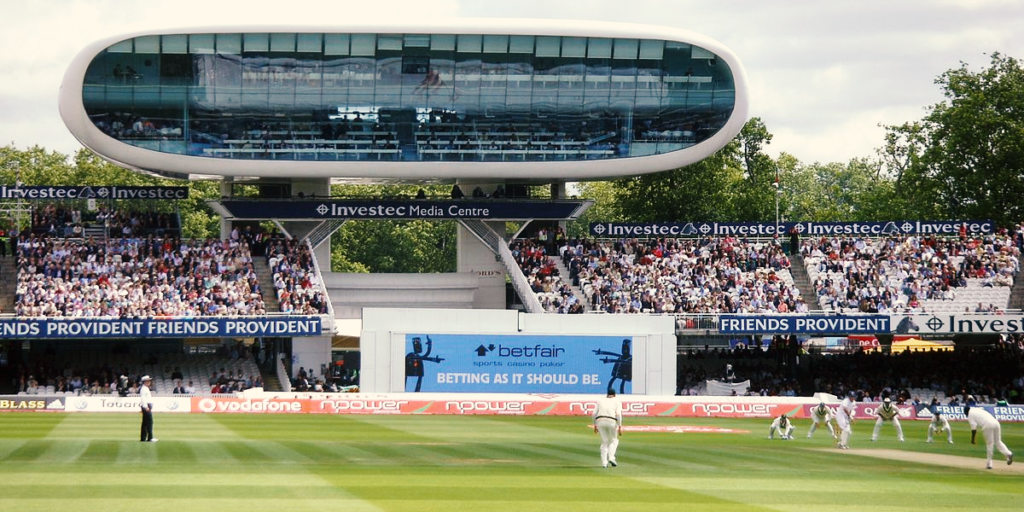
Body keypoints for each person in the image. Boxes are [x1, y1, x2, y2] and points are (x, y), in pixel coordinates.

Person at [965, 398, 1013, 469]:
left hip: (987, 425)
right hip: (996, 423)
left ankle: (989, 464)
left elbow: (974, 429)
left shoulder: (970, 415)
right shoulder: (976, 409)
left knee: (989, 444)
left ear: (966, 413)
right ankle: (1008, 453)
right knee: (998, 441)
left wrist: (972, 440)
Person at [592, 389, 623, 468]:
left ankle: (604, 463)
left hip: (600, 421)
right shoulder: (617, 401)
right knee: (614, 440)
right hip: (611, 421)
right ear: (615, 394)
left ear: (607, 394)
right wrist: (619, 426)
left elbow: (594, 413)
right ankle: (611, 458)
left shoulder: (600, 401)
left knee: (604, 442)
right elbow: (618, 414)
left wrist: (595, 425)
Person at [139, 375, 157, 443]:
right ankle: (150, 437)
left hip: (147, 406)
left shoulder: (145, 388)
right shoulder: (144, 389)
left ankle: (143, 438)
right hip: (146, 406)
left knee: (145, 423)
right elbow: (143, 398)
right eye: (148, 380)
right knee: (149, 422)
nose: (149, 382)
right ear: (145, 381)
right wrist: (145, 406)